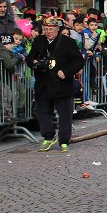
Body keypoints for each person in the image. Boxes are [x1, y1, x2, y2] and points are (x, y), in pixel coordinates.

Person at [26, 15, 85, 151]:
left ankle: (64, 140)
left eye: (51, 29)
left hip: (62, 83)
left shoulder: (68, 42)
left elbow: (78, 61)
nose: (48, 31)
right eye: (46, 29)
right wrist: (33, 63)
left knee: (65, 113)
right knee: (43, 111)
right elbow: (30, 58)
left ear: (57, 29)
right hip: (43, 82)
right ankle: (48, 136)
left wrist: (66, 71)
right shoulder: (39, 41)